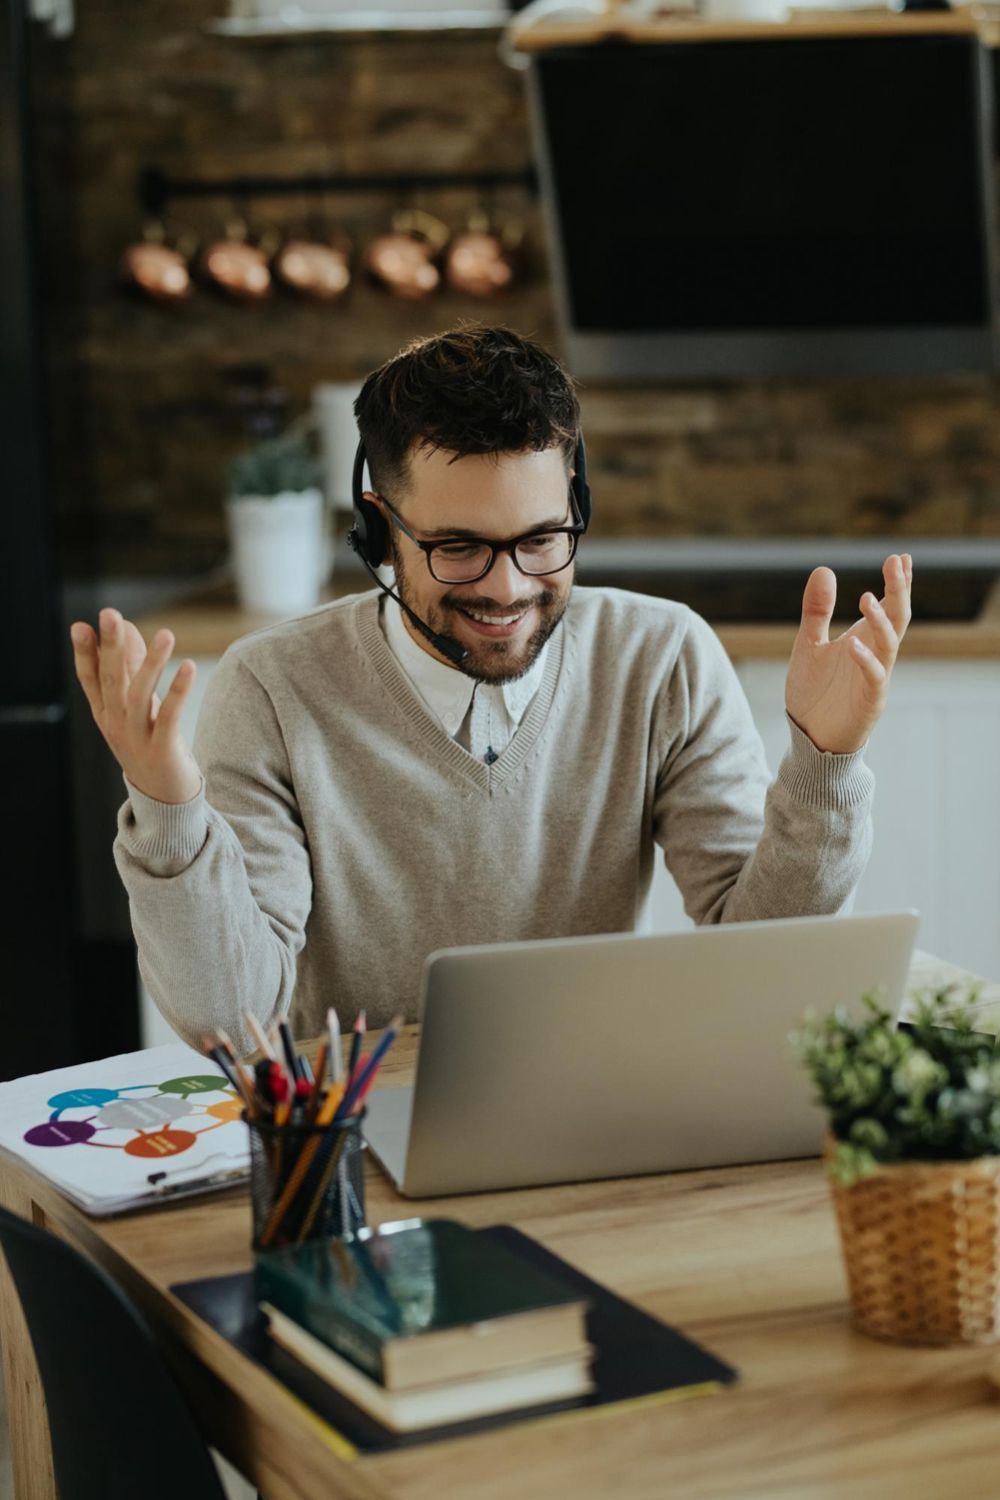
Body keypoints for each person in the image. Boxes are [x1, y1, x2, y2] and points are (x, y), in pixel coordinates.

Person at [70, 327, 912, 1054]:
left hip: (595, 1113)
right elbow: (232, 1022)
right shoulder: (272, 690)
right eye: (459, 548)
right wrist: (171, 810)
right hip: (355, 1142)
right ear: (377, 530)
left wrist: (824, 763)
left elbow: (752, 956)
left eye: (543, 538)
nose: (507, 589)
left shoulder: (661, 658)